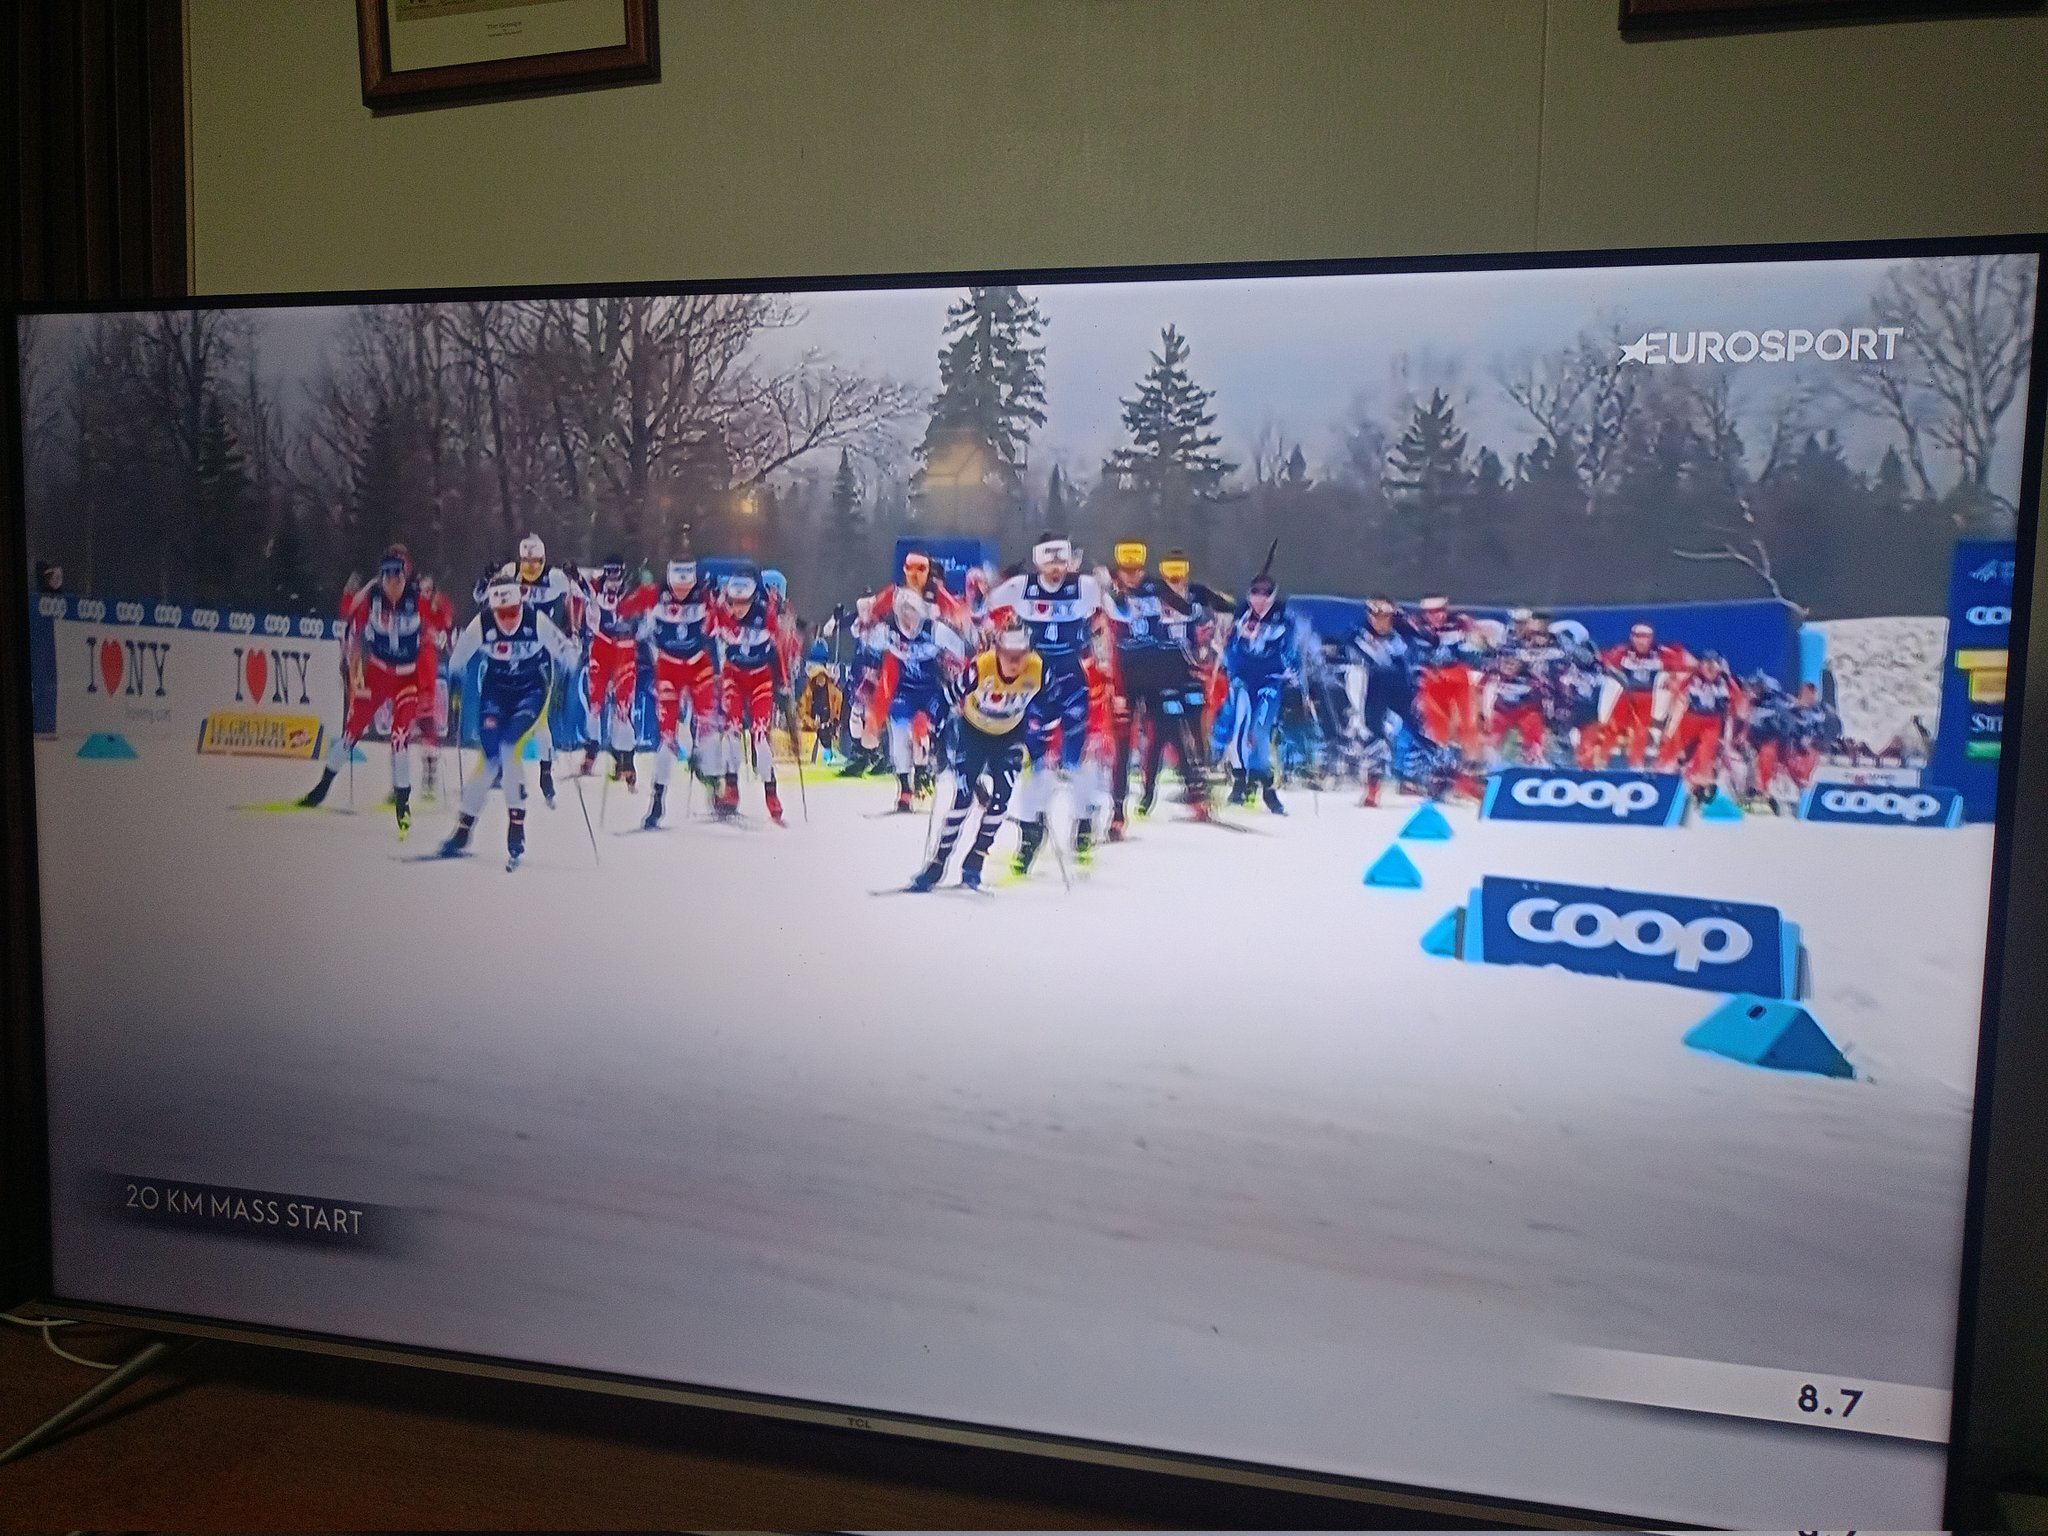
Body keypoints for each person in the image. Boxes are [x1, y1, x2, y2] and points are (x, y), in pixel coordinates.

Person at [987, 533, 1122, 875]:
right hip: (1034, 683)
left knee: (1075, 762)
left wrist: (1112, 590)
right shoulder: (1021, 587)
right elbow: (979, 608)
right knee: (1035, 763)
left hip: (1073, 681)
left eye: (1062, 561)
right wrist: (983, 587)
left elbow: (1123, 613)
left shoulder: (1085, 587)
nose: (1056, 569)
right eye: (1049, 562)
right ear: (1038, 562)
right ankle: (1031, 831)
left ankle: (1083, 823)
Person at [438, 578, 583, 869]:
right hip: (496, 691)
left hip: (531, 691)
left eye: (513, 611)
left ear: (521, 604)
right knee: (490, 758)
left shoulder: (535, 621)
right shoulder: (482, 625)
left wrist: (567, 676)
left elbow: (568, 653)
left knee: (508, 748)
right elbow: (458, 659)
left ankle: (516, 825)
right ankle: (463, 829)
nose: (508, 620)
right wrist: (455, 686)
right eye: (501, 614)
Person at [299, 544, 425, 839]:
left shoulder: (418, 597)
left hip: (407, 677)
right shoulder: (372, 596)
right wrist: (351, 666)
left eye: (398, 574)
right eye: (387, 575)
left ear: (406, 573)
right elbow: (351, 630)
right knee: (351, 731)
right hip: (377, 674)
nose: (392, 581)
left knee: (399, 737)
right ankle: (322, 788)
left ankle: (403, 803)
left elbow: (442, 627)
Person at [908, 619, 1043, 892]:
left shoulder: (1037, 669)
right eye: (1009, 655)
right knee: (963, 799)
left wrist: (1044, 735)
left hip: (1009, 736)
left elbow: (1047, 703)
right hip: (973, 734)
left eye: (1020, 656)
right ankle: (937, 864)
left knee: (1001, 800)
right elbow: (947, 696)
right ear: (998, 651)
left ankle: (975, 861)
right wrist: (932, 726)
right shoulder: (981, 667)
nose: (1015, 663)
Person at [476, 533, 577, 806]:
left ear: (544, 560)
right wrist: (486, 580)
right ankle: (502, 768)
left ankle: (545, 772)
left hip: (538, 657)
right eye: (527, 561)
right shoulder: (510, 572)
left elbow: (583, 598)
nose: (531, 567)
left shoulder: (554, 578)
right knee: (501, 715)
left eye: (536, 561)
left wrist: (576, 583)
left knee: (539, 723)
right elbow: (480, 597)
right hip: (508, 654)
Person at [637, 557, 718, 829]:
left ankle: (716, 787)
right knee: (667, 738)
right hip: (669, 670)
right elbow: (643, 635)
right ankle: (657, 802)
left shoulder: (703, 600)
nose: (681, 592)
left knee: (707, 727)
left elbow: (714, 635)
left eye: (686, 585)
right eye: (677, 585)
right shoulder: (658, 600)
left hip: (697, 668)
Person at [871, 588, 966, 813]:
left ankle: (924, 769)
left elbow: (961, 651)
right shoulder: (889, 631)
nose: (907, 618)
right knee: (898, 733)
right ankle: (905, 788)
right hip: (905, 690)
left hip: (931, 691)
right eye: (902, 612)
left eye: (912, 612)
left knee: (922, 731)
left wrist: (957, 675)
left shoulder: (935, 631)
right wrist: (863, 622)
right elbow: (868, 638)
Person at [1212, 572, 1298, 814]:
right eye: (1255, 593)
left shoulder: (1283, 619)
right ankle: (1240, 781)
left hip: (1269, 682)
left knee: (1259, 730)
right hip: (1243, 680)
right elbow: (1229, 651)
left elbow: (1289, 652)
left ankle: (1266, 785)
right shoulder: (1240, 616)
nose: (1259, 599)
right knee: (1240, 726)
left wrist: (1291, 669)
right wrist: (1229, 642)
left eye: (1265, 593)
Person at [710, 565, 789, 823]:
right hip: (733, 676)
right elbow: (706, 633)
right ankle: (731, 790)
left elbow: (779, 648)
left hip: (760, 678)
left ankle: (771, 793)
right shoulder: (723, 610)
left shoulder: (765, 613)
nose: (738, 608)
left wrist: (784, 681)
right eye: (734, 602)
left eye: (743, 602)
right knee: (732, 733)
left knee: (759, 736)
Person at [575, 553, 656, 786]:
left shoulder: (631, 589)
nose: (612, 576)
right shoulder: (595, 586)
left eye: (616, 571)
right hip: (601, 644)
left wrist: (640, 634)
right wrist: (574, 577)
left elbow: (647, 617)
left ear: (622, 571)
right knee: (595, 702)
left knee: (623, 706)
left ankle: (627, 762)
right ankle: (591, 750)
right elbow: (581, 590)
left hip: (624, 646)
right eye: (608, 571)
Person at [1347, 596, 1424, 806]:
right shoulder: (1358, 636)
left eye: (1386, 616)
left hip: (1401, 691)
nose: (1380, 621)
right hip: (1372, 692)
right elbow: (1357, 668)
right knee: (1373, 735)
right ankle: (1373, 788)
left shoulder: (1404, 636)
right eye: (1375, 616)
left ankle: (1420, 780)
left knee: (1416, 731)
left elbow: (1415, 659)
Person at [1412, 594, 1484, 773]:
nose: (1436, 616)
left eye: (1440, 611)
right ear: (1424, 613)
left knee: (1468, 719)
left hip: (1458, 676)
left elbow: (1475, 654)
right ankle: (1445, 759)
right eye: (1431, 612)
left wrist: (1473, 636)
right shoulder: (1414, 625)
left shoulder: (1459, 624)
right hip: (1432, 680)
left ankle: (1472, 760)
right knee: (1437, 721)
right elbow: (1411, 658)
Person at [1599, 621, 1674, 769]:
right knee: (1613, 724)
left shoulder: (1661, 654)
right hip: (1626, 695)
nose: (1641, 641)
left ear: (1651, 638)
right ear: (1631, 637)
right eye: (1637, 637)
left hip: (1649, 698)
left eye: (1645, 637)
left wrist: (1671, 678)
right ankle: (1602, 761)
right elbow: (1602, 660)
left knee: (1642, 731)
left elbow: (1685, 665)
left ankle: (1637, 764)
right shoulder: (1621, 652)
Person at [413, 572, 455, 797]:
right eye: (422, 590)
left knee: (427, 723)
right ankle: (399, 784)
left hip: (425, 675)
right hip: (408, 672)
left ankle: (430, 775)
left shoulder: (437, 605)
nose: (425, 593)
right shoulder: (411, 603)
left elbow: (446, 625)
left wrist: (440, 606)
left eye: (428, 590)